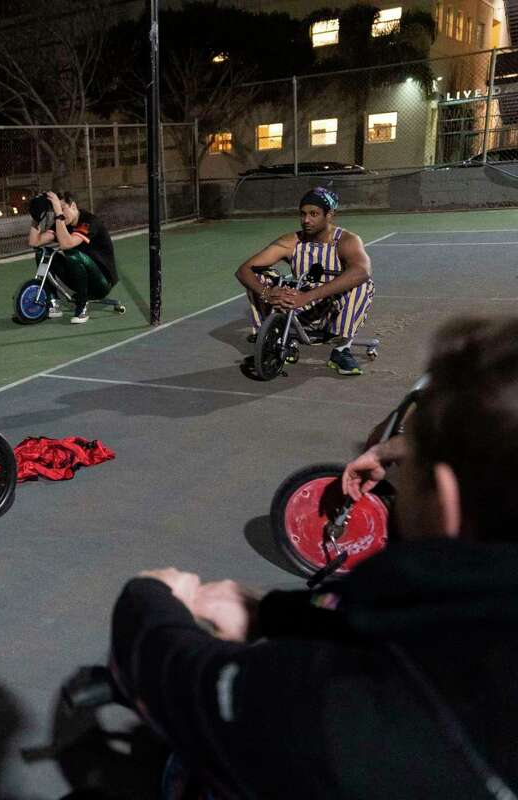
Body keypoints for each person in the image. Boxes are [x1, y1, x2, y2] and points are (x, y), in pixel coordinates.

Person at [108, 315, 518, 798]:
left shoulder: (364, 711)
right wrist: (272, 612)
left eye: (415, 467)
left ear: (445, 500)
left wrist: (152, 597)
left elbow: (181, 681)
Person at [234, 187, 374, 376]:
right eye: (303, 214)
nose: (306, 220)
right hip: (298, 308)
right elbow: (244, 270)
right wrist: (267, 293)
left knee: (362, 284)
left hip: (331, 309)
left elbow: (362, 271)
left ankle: (341, 349)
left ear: (329, 215)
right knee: (258, 277)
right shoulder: (292, 242)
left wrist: (308, 296)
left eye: (314, 214)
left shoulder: (346, 240)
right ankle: (277, 341)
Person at [27, 190, 117, 324]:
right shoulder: (63, 223)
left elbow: (66, 244)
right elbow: (34, 242)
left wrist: (58, 213)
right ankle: (53, 303)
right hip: (79, 278)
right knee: (42, 253)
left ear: (73, 206)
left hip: (101, 282)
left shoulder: (89, 222)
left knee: (72, 253)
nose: (61, 213)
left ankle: (81, 307)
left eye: (63, 208)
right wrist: (36, 218)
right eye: (58, 210)